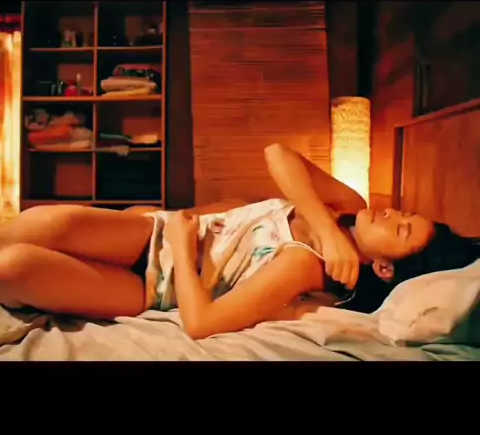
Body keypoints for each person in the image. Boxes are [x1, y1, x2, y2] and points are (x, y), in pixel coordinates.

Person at [0, 143, 477, 338]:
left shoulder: (305, 265)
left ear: (384, 268)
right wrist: (329, 229)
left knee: (14, 268)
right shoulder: (344, 206)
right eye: (404, 212)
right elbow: (278, 154)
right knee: (43, 224)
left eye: (400, 228)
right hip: (150, 232)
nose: (391, 213)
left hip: (152, 287)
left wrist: (183, 251)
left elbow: (202, 324)